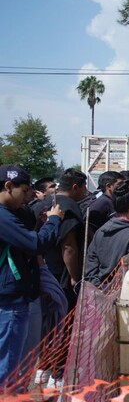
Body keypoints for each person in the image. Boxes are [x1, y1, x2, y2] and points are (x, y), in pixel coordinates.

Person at [0, 165, 63, 384]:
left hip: (13, 299)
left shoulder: (10, 214)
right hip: (9, 302)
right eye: (24, 190)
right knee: (8, 369)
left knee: (14, 366)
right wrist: (54, 220)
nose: (28, 197)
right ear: (8, 186)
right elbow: (34, 243)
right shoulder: (3, 217)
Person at [37, 168, 89, 310]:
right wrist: (74, 277)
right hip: (61, 275)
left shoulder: (44, 201)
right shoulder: (69, 206)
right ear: (75, 187)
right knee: (63, 321)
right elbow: (68, 246)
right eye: (84, 186)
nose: (86, 190)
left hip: (43, 271)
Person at [84, 182, 129, 286]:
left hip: (99, 289)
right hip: (123, 290)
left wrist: (98, 286)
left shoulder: (100, 231)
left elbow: (91, 261)